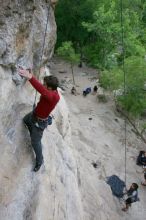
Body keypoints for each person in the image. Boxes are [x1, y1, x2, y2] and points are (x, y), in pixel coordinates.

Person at [18, 67, 60, 172]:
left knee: (35, 142)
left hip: (40, 122)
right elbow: (42, 88)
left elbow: (42, 90)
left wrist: (30, 77)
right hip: (34, 114)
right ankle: (31, 129)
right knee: (25, 120)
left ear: (50, 88)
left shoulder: (52, 96)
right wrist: (32, 75)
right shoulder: (51, 91)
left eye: (45, 85)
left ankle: (40, 160)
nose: (43, 85)